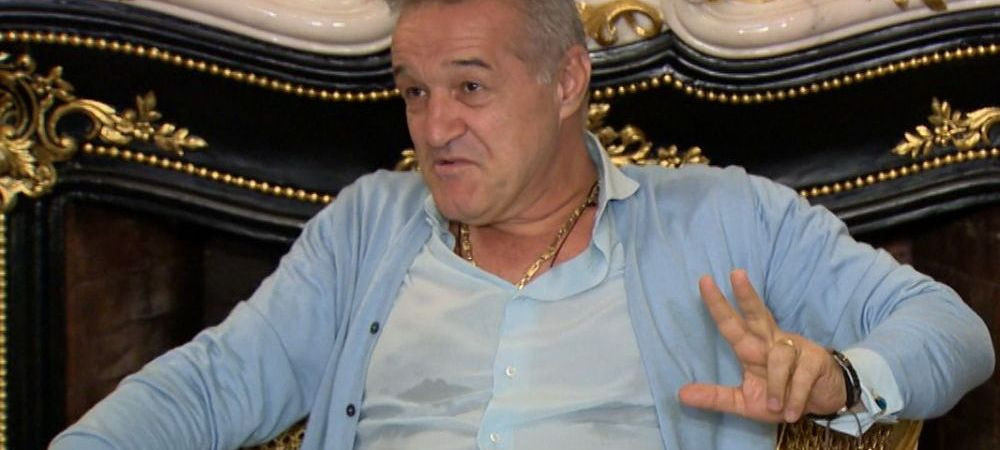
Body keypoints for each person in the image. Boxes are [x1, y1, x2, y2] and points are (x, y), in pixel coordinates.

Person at [51, 0, 994, 449]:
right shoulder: (367, 227)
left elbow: (953, 329)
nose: (434, 129)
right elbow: (211, 387)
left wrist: (838, 379)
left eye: (470, 87)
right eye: (414, 92)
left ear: (566, 80)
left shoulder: (725, 215)